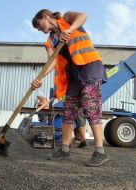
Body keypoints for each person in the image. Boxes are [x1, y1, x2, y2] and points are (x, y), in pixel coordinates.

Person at [31, 9, 108, 167]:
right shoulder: (50, 40)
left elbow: (83, 16)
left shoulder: (66, 19)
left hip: (89, 67)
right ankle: (64, 150)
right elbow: (52, 62)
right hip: (73, 75)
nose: (39, 29)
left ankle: (100, 151)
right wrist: (39, 78)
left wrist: (70, 29)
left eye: (38, 25)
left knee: (90, 107)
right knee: (68, 111)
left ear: (46, 16)